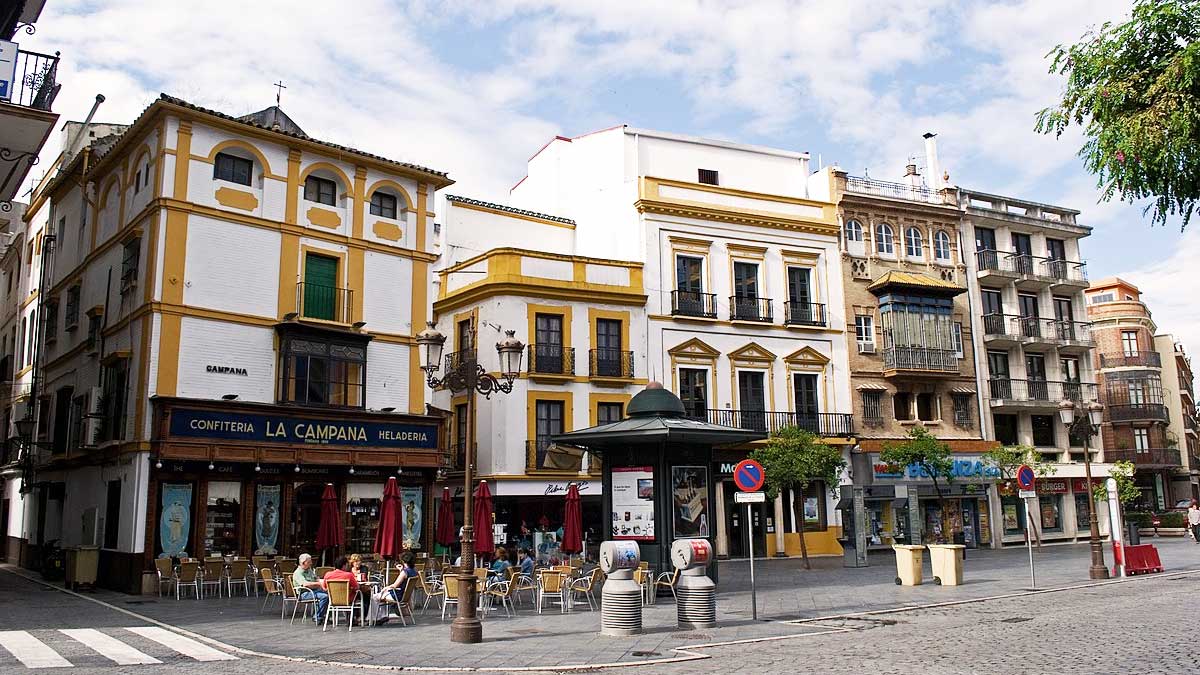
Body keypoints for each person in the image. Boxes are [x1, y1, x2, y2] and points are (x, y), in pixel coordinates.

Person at [369, 552, 417, 625]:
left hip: (397, 596)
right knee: (380, 596)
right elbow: (405, 581)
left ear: (403, 561)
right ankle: (382, 616)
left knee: (374, 597)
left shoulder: (404, 572)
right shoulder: (414, 572)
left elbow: (395, 585)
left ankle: (375, 618)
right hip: (405, 596)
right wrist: (401, 570)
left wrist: (385, 588)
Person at [292, 553, 329, 624]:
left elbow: (316, 578)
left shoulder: (309, 570)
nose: (311, 563)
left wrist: (324, 581)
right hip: (303, 594)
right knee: (324, 596)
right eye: (309, 562)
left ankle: (325, 616)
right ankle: (317, 616)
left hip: (313, 591)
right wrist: (319, 584)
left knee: (330, 594)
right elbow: (305, 584)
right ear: (303, 563)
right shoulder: (298, 573)